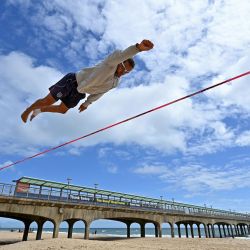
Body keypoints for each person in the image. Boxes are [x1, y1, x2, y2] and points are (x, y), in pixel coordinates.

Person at [21, 39, 154, 123]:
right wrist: (138, 48)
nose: (123, 72)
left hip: (80, 92)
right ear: (120, 63)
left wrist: (87, 104)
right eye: (124, 68)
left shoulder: (115, 82)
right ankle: (29, 109)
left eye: (127, 72)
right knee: (47, 101)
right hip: (72, 81)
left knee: (62, 110)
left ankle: (39, 110)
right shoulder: (110, 63)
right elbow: (123, 55)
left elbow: (100, 93)